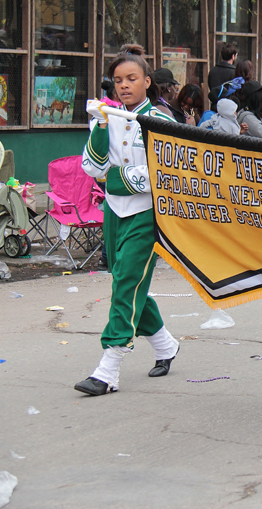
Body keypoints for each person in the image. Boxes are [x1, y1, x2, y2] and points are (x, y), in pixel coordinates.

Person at [75, 44, 181, 396]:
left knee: (126, 284)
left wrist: (115, 178)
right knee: (126, 281)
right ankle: (165, 345)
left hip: (147, 213)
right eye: (118, 80)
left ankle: (109, 367)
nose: (124, 85)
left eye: (132, 78)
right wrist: (102, 125)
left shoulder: (162, 122)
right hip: (114, 212)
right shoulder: (108, 116)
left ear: (147, 81)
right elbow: (92, 166)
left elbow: (163, 174)